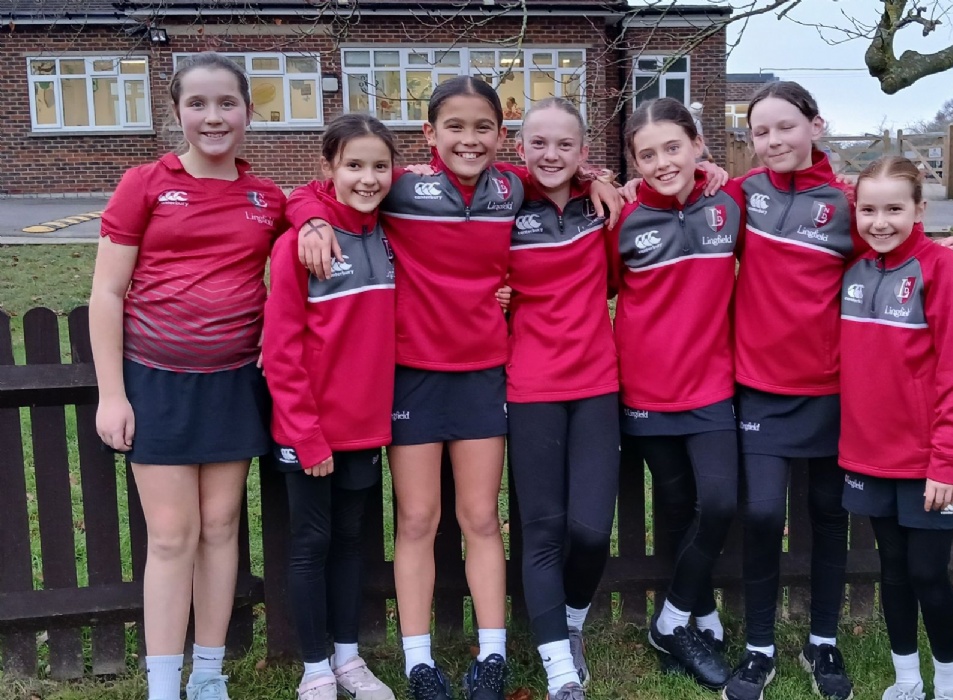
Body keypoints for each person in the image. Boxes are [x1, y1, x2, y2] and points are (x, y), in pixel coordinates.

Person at [290, 77, 619, 700]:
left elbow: (564, 171)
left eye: (483, 128)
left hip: (482, 375)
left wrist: (596, 175)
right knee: (416, 518)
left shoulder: (511, 187)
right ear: (429, 134)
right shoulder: (404, 188)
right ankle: (419, 662)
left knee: (480, 519)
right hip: (414, 376)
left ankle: (491, 655)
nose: (469, 139)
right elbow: (319, 190)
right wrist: (308, 217)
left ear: (502, 136)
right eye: (455, 127)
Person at [725, 81, 953, 700]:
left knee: (829, 517)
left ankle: (823, 642)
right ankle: (758, 648)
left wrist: (943, 252)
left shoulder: (847, 205)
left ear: (816, 125)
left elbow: (897, 249)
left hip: (831, 395)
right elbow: (683, 192)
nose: (774, 140)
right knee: (759, 515)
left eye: (786, 126)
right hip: (758, 387)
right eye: (761, 131)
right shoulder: (742, 192)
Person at [90, 52, 286, 700]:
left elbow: (321, 213)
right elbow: (107, 293)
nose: (213, 116)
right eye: (197, 104)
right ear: (177, 113)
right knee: (174, 535)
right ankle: (164, 685)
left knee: (223, 526)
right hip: (155, 381)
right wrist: (113, 394)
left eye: (227, 103)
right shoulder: (143, 184)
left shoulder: (265, 197)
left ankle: (208, 675)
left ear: (248, 114)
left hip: (232, 383)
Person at [607, 97, 743, 692]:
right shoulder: (620, 216)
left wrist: (934, 246)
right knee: (680, 507)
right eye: (647, 154)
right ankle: (699, 615)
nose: (662, 162)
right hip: (646, 388)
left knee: (719, 504)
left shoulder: (730, 202)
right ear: (633, 163)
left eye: (672, 147)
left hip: (712, 383)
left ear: (697, 145)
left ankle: (670, 621)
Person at [263, 113, 400, 700]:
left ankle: (348, 659)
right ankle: (314, 667)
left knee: (351, 542)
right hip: (310, 430)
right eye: (353, 166)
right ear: (328, 169)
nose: (367, 179)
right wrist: (305, 432)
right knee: (311, 543)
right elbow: (282, 347)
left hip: (366, 428)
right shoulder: (302, 244)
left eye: (379, 166)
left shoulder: (392, 232)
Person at [839, 155, 953, 700]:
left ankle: (949, 679)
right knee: (892, 573)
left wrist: (945, 461)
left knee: (927, 574)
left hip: (931, 462)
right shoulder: (854, 265)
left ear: (920, 210)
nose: (880, 222)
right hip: (869, 456)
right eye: (868, 209)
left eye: (894, 209)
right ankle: (906, 681)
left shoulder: (941, 268)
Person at [505, 97, 620, 700]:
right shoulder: (501, 201)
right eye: (539, 143)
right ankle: (559, 669)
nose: (552, 154)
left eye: (565, 145)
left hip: (597, 384)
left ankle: (571, 622)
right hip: (531, 388)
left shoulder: (600, 206)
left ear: (583, 152)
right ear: (520, 148)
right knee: (543, 529)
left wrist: (705, 169)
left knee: (592, 530)